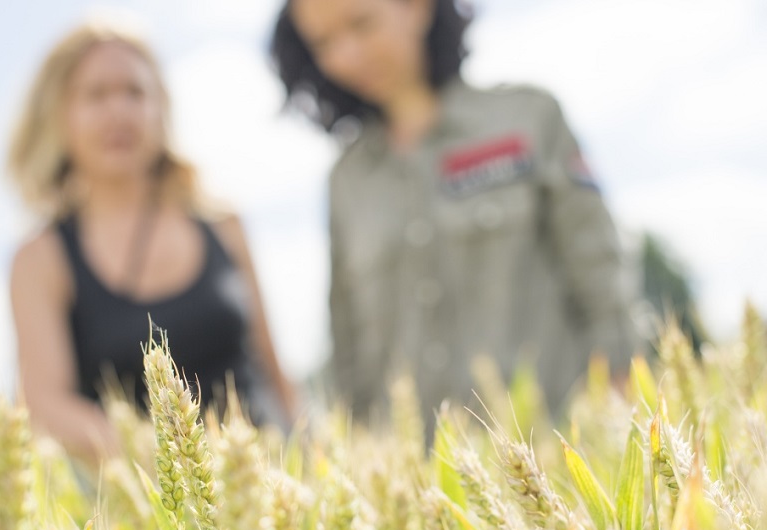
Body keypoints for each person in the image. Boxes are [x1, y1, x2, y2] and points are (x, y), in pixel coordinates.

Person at [271, 0, 640, 430]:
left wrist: (620, 411)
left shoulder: (528, 118)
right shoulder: (346, 180)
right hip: (416, 463)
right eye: (323, 43)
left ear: (416, 8)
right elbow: (348, 338)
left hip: (554, 444)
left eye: (362, 24)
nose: (346, 55)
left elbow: (600, 277)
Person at [8, 19, 295, 464]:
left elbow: (274, 370)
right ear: (59, 114)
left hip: (264, 472)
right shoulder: (41, 259)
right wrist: (170, 461)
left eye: (135, 93)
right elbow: (45, 403)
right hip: (150, 491)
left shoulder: (223, 223)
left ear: (161, 108)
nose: (119, 112)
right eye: (96, 95)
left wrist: (306, 455)